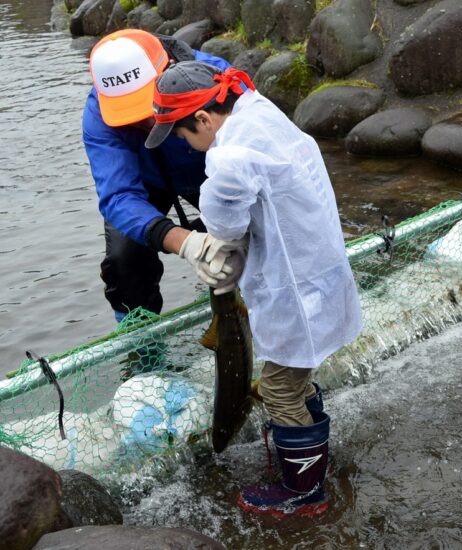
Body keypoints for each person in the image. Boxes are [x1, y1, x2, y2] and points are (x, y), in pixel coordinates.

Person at [144, 61, 363, 516]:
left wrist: (204, 247)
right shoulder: (260, 111)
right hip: (320, 275)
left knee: (280, 389)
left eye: (184, 136)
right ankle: (306, 458)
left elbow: (224, 223)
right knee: (298, 378)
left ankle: (303, 489)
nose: (186, 147)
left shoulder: (230, 156)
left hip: (296, 291)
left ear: (203, 119)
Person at [83, 29, 244, 344]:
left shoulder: (217, 78)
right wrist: (186, 242)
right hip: (147, 182)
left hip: (214, 169)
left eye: (147, 107)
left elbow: (261, 157)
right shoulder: (97, 114)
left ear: (168, 68)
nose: (145, 122)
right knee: (124, 261)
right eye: (129, 113)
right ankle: (142, 345)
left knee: (253, 237)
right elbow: (118, 196)